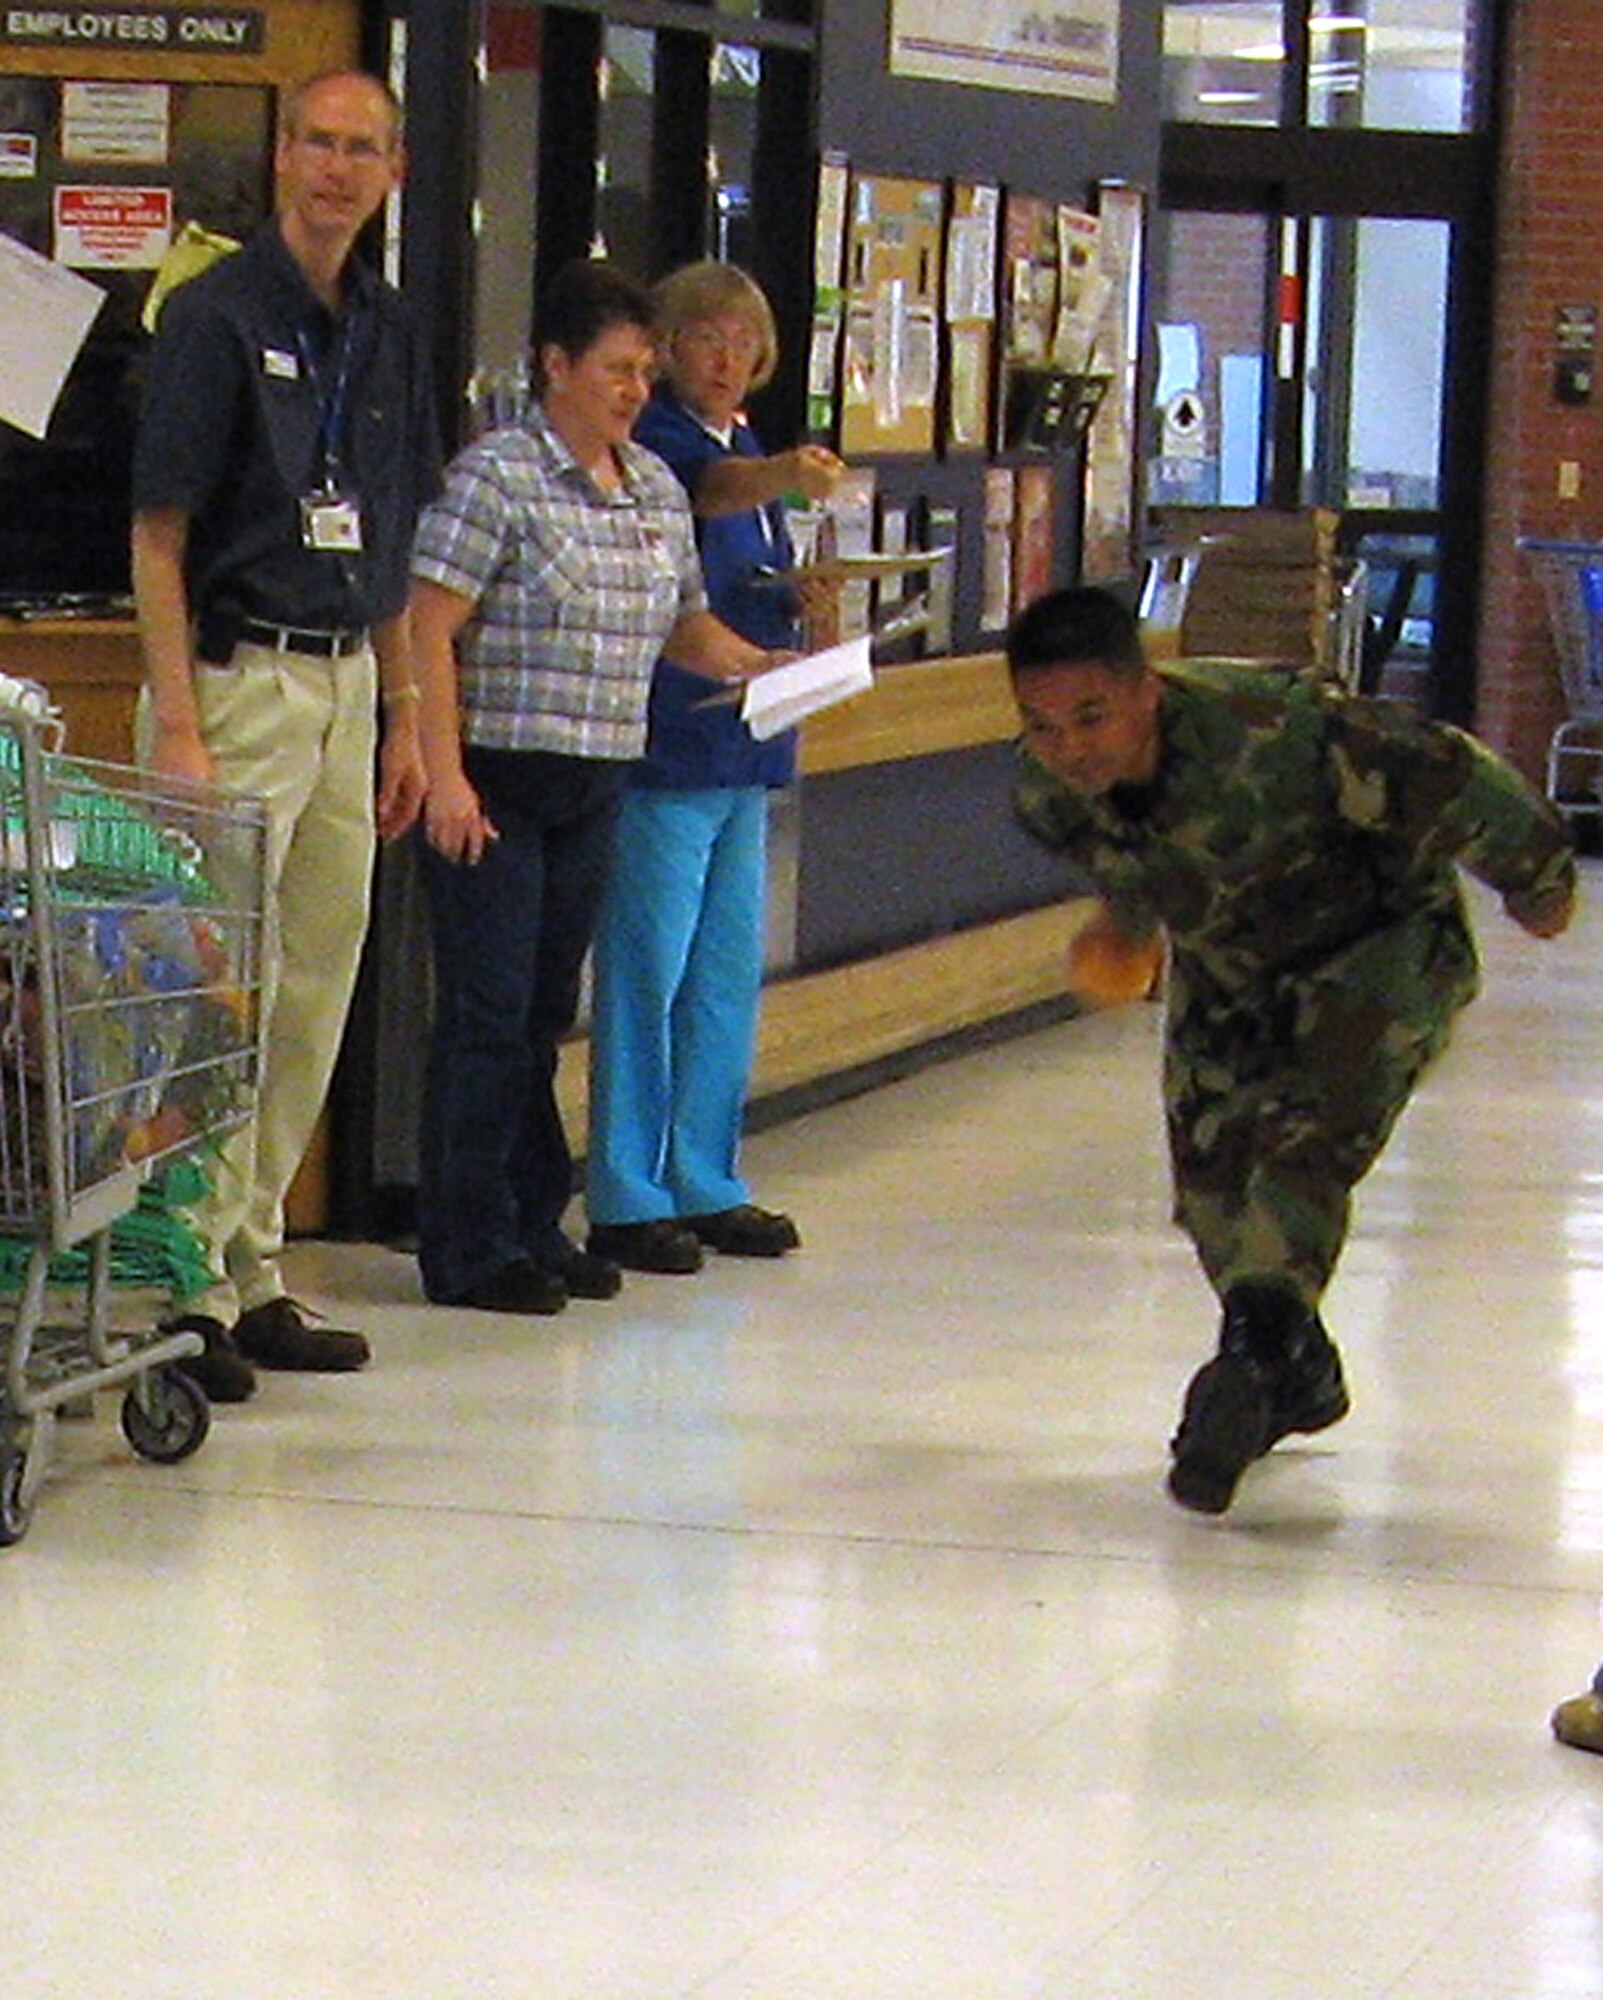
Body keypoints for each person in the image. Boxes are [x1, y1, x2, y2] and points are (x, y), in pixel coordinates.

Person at [1005, 586, 1576, 1516]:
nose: (1068, 747)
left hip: (1378, 947)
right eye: (1040, 724)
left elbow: (1445, 772)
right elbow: (1134, 862)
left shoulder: (1274, 730)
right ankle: (1289, 1367)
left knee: (1301, 1147)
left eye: (1089, 716)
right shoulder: (1047, 793)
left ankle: (1258, 1358)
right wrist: (1125, 928)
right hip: (1233, 967)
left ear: (1145, 690)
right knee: (1211, 1180)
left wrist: (1536, 879)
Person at [130, 69, 439, 1404]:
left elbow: (395, 543)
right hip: (233, 682)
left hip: (348, 683)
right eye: (315, 142)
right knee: (211, 998)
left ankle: (251, 1265)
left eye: (360, 148)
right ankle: (176, 1280)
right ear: (280, 157)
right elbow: (156, 539)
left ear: (392, 172)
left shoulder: (386, 327)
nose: (334, 168)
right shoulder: (211, 317)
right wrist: (184, 731)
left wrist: (408, 718)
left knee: (312, 984)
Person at [408, 258, 773, 1317]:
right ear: (554, 366)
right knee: (484, 1010)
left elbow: (682, 626)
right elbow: (429, 625)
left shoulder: (654, 487)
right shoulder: (498, 475)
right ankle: (464, 1240)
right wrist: (444, 774)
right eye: (614, 370)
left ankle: (532, 1219)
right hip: (498, 777)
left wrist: (756, 664)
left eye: (643, 372)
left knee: (542, 1012)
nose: (633, 391)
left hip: (596, 776)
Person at [584, 261, 845, 1275]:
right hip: (671, 743)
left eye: (744, 340)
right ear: (668, 348)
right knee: (647, 971)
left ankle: (705, 1171)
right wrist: (787, 472)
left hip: (749, 741)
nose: (728, 358)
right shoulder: (668, 444)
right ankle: (627, 1186)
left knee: (725, 972)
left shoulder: (745, 446)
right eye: (706, 338)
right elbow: (709, 495)